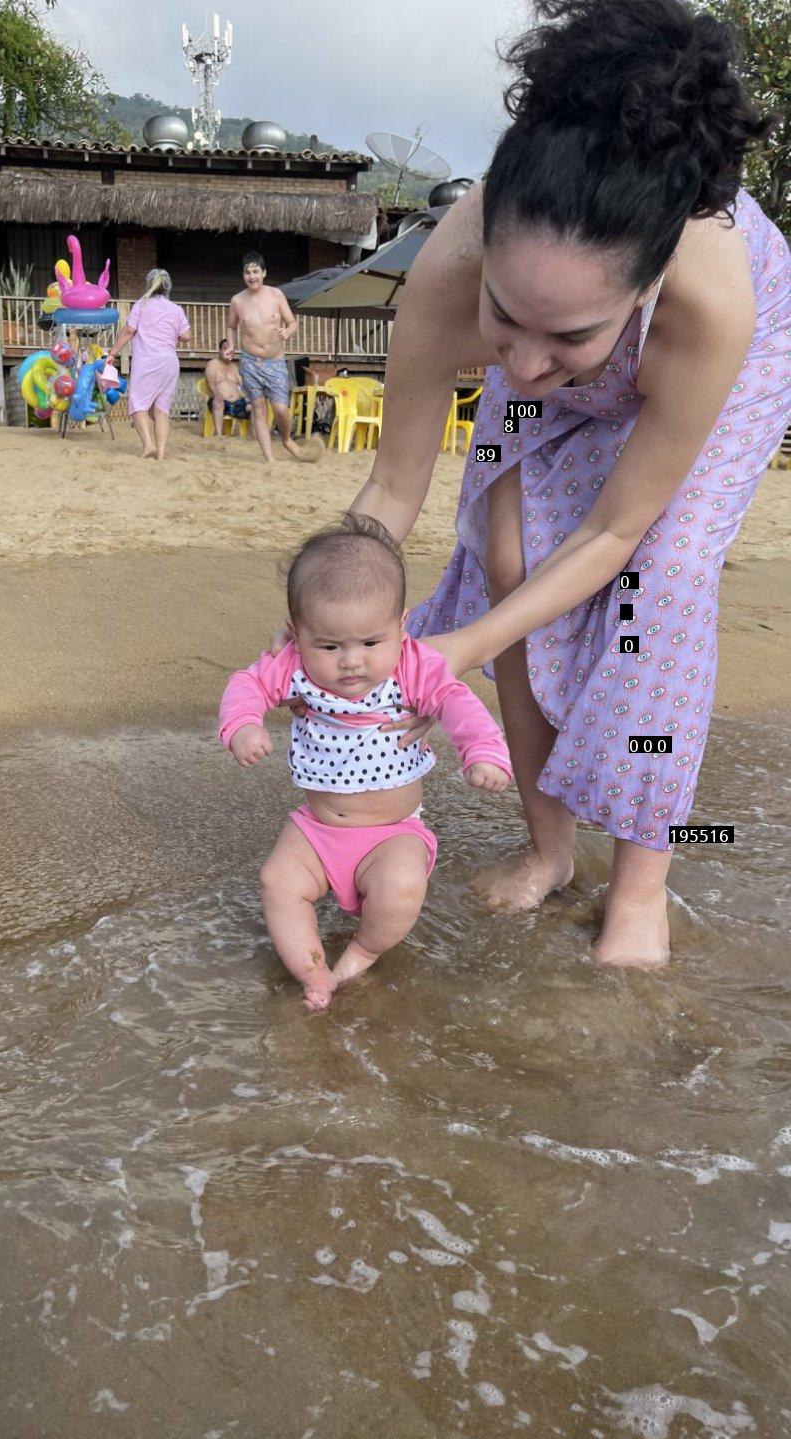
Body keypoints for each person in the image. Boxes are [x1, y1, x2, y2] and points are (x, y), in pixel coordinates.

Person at [344, 0, 790, 969]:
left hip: (702, 373)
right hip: (565, 298)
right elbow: (388, 495)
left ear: (642, 287)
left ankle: (640, 887)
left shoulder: (713, 306)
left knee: (658, 587)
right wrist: (328, 626)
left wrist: (454, 646)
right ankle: (551, 848)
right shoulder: (448, 280)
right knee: (503, 551)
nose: (533, 365)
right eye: (507, 320)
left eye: (570, 337)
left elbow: (612, 533)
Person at [220, 515, 512, 1011]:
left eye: (370, 643)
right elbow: (246, 684)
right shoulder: (292, 663)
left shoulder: (413, 666)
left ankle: (360, 954)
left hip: (393, 831)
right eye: (330, 646)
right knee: (278, 882)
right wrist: (243, 724)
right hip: (316, 829)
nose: (352, 661)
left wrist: (482, 752)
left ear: (401, 627)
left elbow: (457, 702)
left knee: (401, 888)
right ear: (297, 633)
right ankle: (314, 975)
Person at [221, 252, 316, 463]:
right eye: (247, 272)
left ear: (264, 273)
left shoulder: (276, 295)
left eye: (256, 271)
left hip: (275, 362)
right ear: (243, 275)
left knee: (281, 408)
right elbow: (231, 326)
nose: (252, 276)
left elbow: (292, 322)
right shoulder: (237, 300)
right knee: (258, 408)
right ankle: (269, 459)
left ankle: (286, 439)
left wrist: (287, 332)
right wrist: (232, 345)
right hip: (249, 363)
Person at [106, 269, 191, 460]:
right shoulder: (176, 309)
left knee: (138, 404)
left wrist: (112, 353)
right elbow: (187, 336)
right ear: (168, 287)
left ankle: (149, 445)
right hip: (169, 362)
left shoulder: (141, 305)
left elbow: (129, 331)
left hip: (147, 361)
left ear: (148, 285)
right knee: (162, 410)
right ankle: (161, 454)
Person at [203, 340, 248, 436]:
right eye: (225, 349)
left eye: (231, 350)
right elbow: (210, 382)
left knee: (257, 405)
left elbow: (242, 384)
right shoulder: (213, 364)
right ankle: (219, 435)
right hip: (221, 402)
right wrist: (216, 394)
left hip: (238, 404)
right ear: (220, 350)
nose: (228, 352)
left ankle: (252, 436)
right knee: (218, 400)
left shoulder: (234, 367)